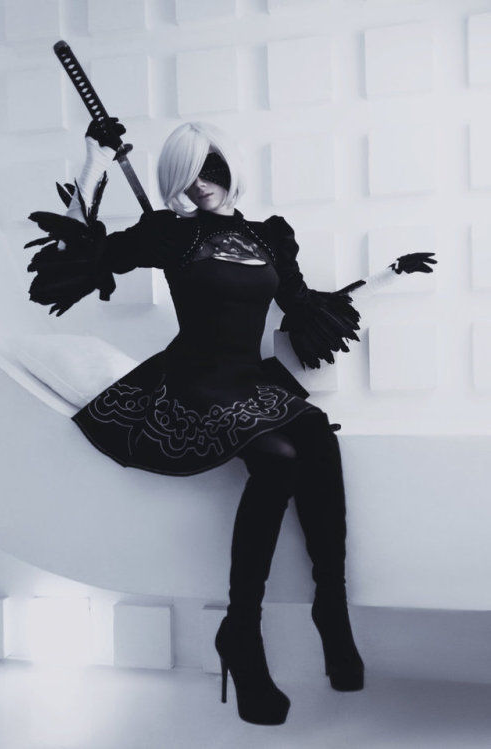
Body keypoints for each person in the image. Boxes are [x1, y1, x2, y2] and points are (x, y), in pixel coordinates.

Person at [25, 118, 437, 726]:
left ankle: (331, 608)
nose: (200, 183)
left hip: (253, 379)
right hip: (193, 381)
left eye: (210, 168)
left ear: (230, 167)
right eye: (187, 173)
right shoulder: (169, 234)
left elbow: (305, 307)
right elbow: (77, 254)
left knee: (317, 439)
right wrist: (93, 160)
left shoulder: (269, 236)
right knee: (278, 459)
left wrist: (385, 277)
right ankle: (242, 632)